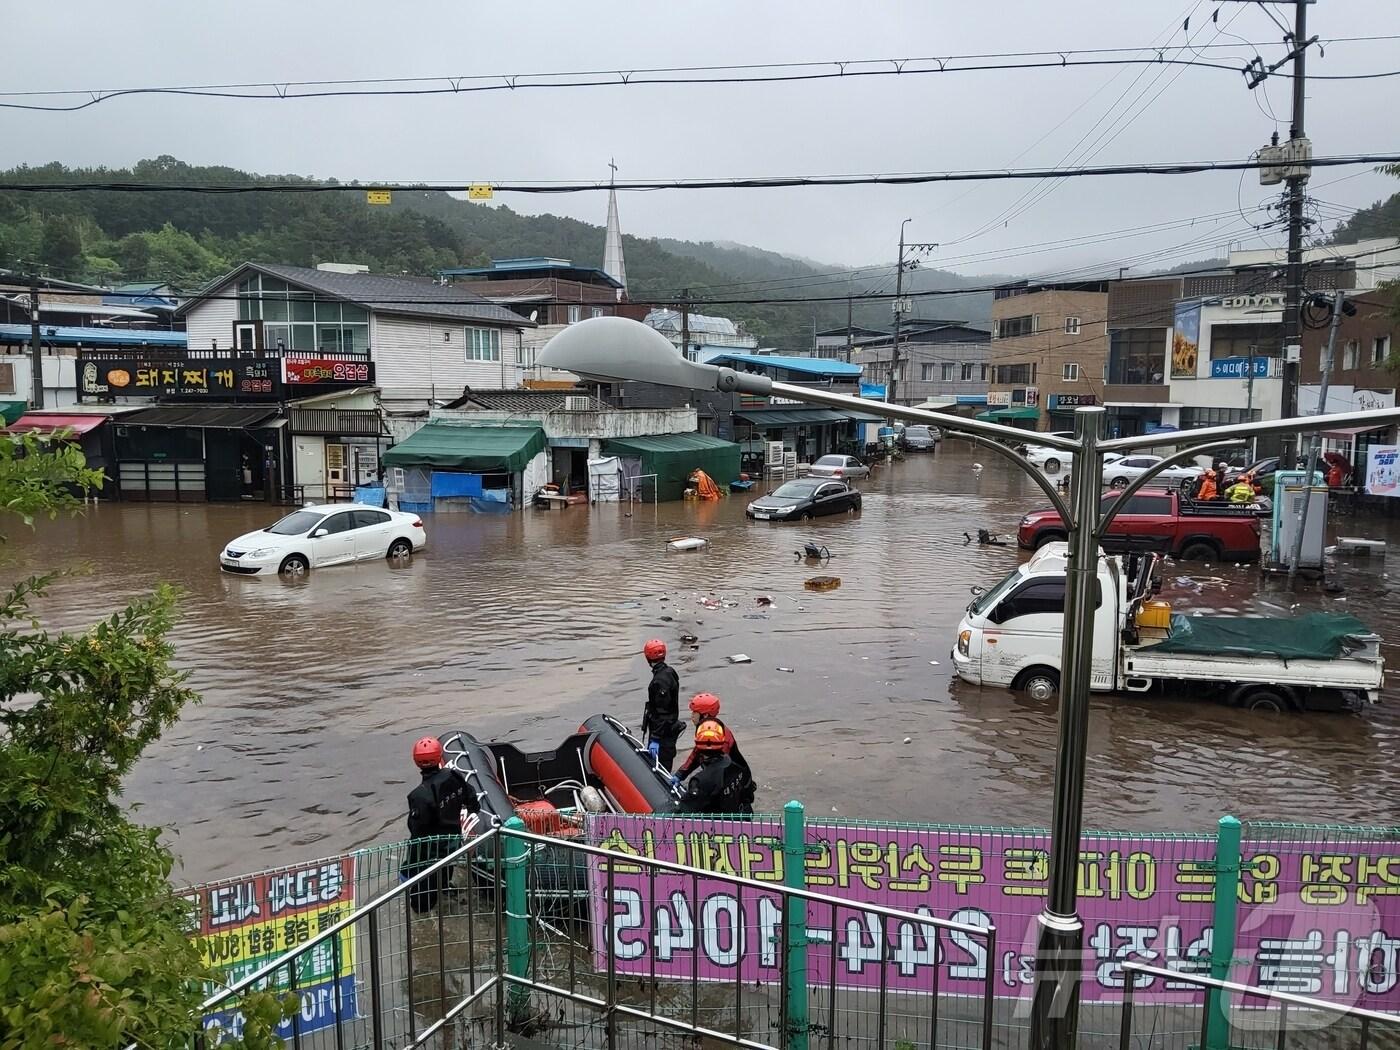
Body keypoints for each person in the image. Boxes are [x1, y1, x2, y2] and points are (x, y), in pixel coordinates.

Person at [401, 736, 478, 913]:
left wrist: (408, 865)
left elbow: (417, 830)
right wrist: (474, 811)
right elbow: (470, 795)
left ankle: (425, 923)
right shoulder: (453, 776)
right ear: (439, 756)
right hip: (452, 843)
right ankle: (445, 891)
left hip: (429, 853)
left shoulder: (419, 795)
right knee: (443, 877)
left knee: (421, 903)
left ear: (416, 762)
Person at [675, 693, 752, 792]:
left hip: (736, 783)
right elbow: (696, 755)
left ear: (705, 715)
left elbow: (719, 770)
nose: (692, 716)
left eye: (695, 712)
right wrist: (680, 774)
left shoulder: (720, 739)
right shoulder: (707, 731)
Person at [677, 720, 753, 815]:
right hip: (741, 820)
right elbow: (748, 794)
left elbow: (684, 810)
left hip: (716, 826)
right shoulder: (735, 764)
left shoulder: (701, 781)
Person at [641, 639, 683, 772]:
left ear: (647, 657)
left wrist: (655, 738)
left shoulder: (659, 681)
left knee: (660, 769)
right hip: (667, 731)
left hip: (663, 734)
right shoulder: (669, 672)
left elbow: (663, 712)